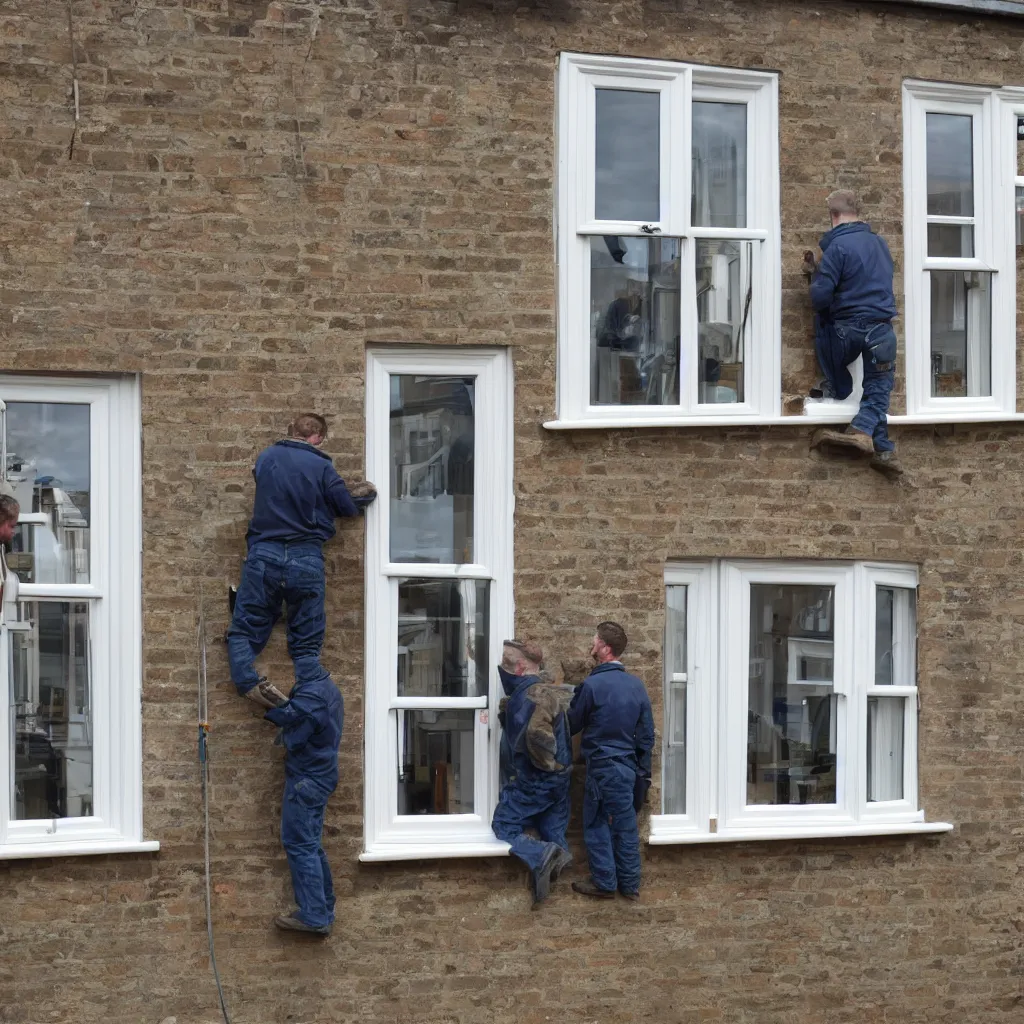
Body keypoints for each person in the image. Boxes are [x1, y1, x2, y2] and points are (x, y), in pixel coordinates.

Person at [226, 413, 376, 708]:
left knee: (243, 630)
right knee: (306, 643)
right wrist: (355, 496)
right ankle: (309, 702)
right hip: (305, 558)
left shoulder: (266, 457)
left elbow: (267, 483)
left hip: (264, 554)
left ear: (290, 430)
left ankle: (248, 682)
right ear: (318, 438)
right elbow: (346, 507)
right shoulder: (322, 465)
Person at [804, 190, 903, 477]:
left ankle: (845, 403)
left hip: (848, 328)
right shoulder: (880, 244)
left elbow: (820, 298)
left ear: (833, 216)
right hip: (882, 329)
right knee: (878, 389)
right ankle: (883, 449)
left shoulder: (837, 248)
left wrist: (815, 277)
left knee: (822, 325)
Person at [568, 621, 654, 902]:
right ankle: (629, 886)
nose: (591, 644)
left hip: (603, 767)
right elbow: (645, 737)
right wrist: (643, 774)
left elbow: (571, 725)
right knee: (626, 828)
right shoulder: (637, 686)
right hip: (627, 769)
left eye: (594, 640)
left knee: (596, 824)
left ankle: (605, 883)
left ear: (605, 648)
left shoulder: (592, 685)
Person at [492, 639, 574, 907]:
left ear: (520, 667)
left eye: (506, 663)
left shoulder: (530, 697)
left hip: (537, 782)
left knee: (503, 824)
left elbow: (539, 737)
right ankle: (554, 863)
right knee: (551, 827)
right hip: (559, 783)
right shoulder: (545, 692)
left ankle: (542, 854)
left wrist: (543, 771)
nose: (502, 669)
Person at [264, 668, 343, 935]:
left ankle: (314, 915)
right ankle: (324, 908)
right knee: (311, 844)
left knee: (299, 844)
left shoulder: (314, 698)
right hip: (320, 778)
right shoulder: (329, 689)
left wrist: (283, 716)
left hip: (307, 782)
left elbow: (295, 739)